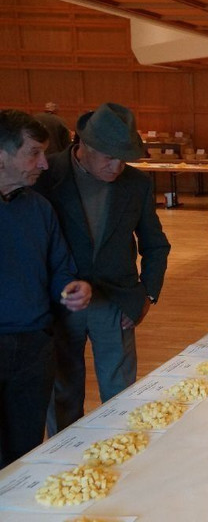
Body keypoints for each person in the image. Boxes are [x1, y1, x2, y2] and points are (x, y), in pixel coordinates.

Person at [33, 102, 170, 435]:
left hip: (116, 302)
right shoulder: (46, 175)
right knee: (62, 393)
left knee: (120, 393)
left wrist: (147, 294)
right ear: (84, 145)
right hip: (61, 302)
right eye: (110, 157)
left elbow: (156, 245)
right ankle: (68, 455)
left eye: (124, 158)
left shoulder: (137, 184)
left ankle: (119, 451)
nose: (118, 166)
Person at [0, 110, 91, 467]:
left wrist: (71, 287)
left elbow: (59, 268)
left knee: (24, 451)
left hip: (34, 346)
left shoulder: (39, 208)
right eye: (34, 153)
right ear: (2, 155)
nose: (45, 163)